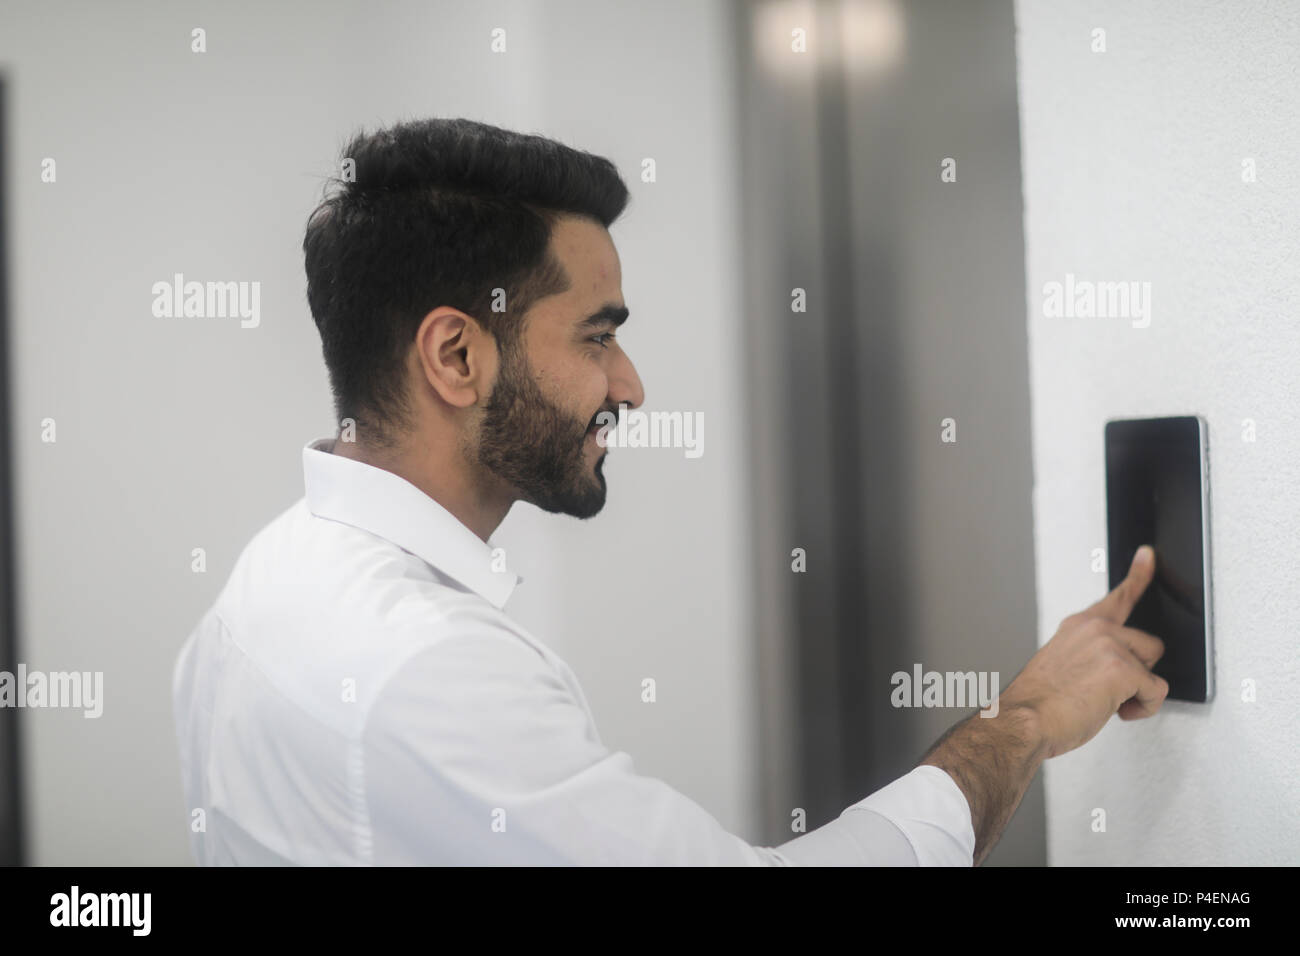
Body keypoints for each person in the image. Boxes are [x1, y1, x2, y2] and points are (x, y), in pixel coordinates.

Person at [170, 117, 1169, 866]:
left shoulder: (260, 589)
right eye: (596, 337)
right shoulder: (424, 667)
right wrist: (1027, 718)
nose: (630, 386)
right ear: (456, 353)